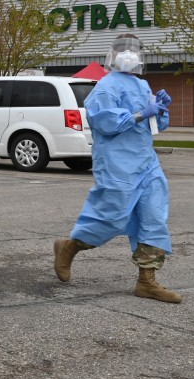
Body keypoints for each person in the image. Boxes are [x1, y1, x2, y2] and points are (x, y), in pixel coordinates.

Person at [53, 33, 183, 304]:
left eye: (134, 49)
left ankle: (147, 282)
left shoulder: (142, 84)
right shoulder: (105, 87)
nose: (129, 54)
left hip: (146, 162)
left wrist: (160, 110)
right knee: (110, 216)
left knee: (154, 217)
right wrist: (141, 114)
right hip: (116, 164)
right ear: (112, 54)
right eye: (123, 49)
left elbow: (156, 126)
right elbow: (104, 123)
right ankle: (69, 247)